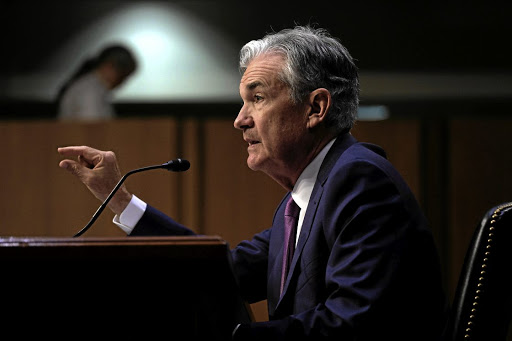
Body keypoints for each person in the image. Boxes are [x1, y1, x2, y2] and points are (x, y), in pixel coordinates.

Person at [57, 25, 450, 340]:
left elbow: (352, 323)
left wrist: (237, 337)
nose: (240, 119)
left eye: (257, 99)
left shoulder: (359, 180)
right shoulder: (302, 200)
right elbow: (218, 271)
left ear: (315, 107)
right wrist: (120, 200)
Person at [56, 44, 137, 121]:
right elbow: (92, 127)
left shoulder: (93, 87)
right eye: (122, 77)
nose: (121, 83)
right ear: (109, 66)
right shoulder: (89, 89)